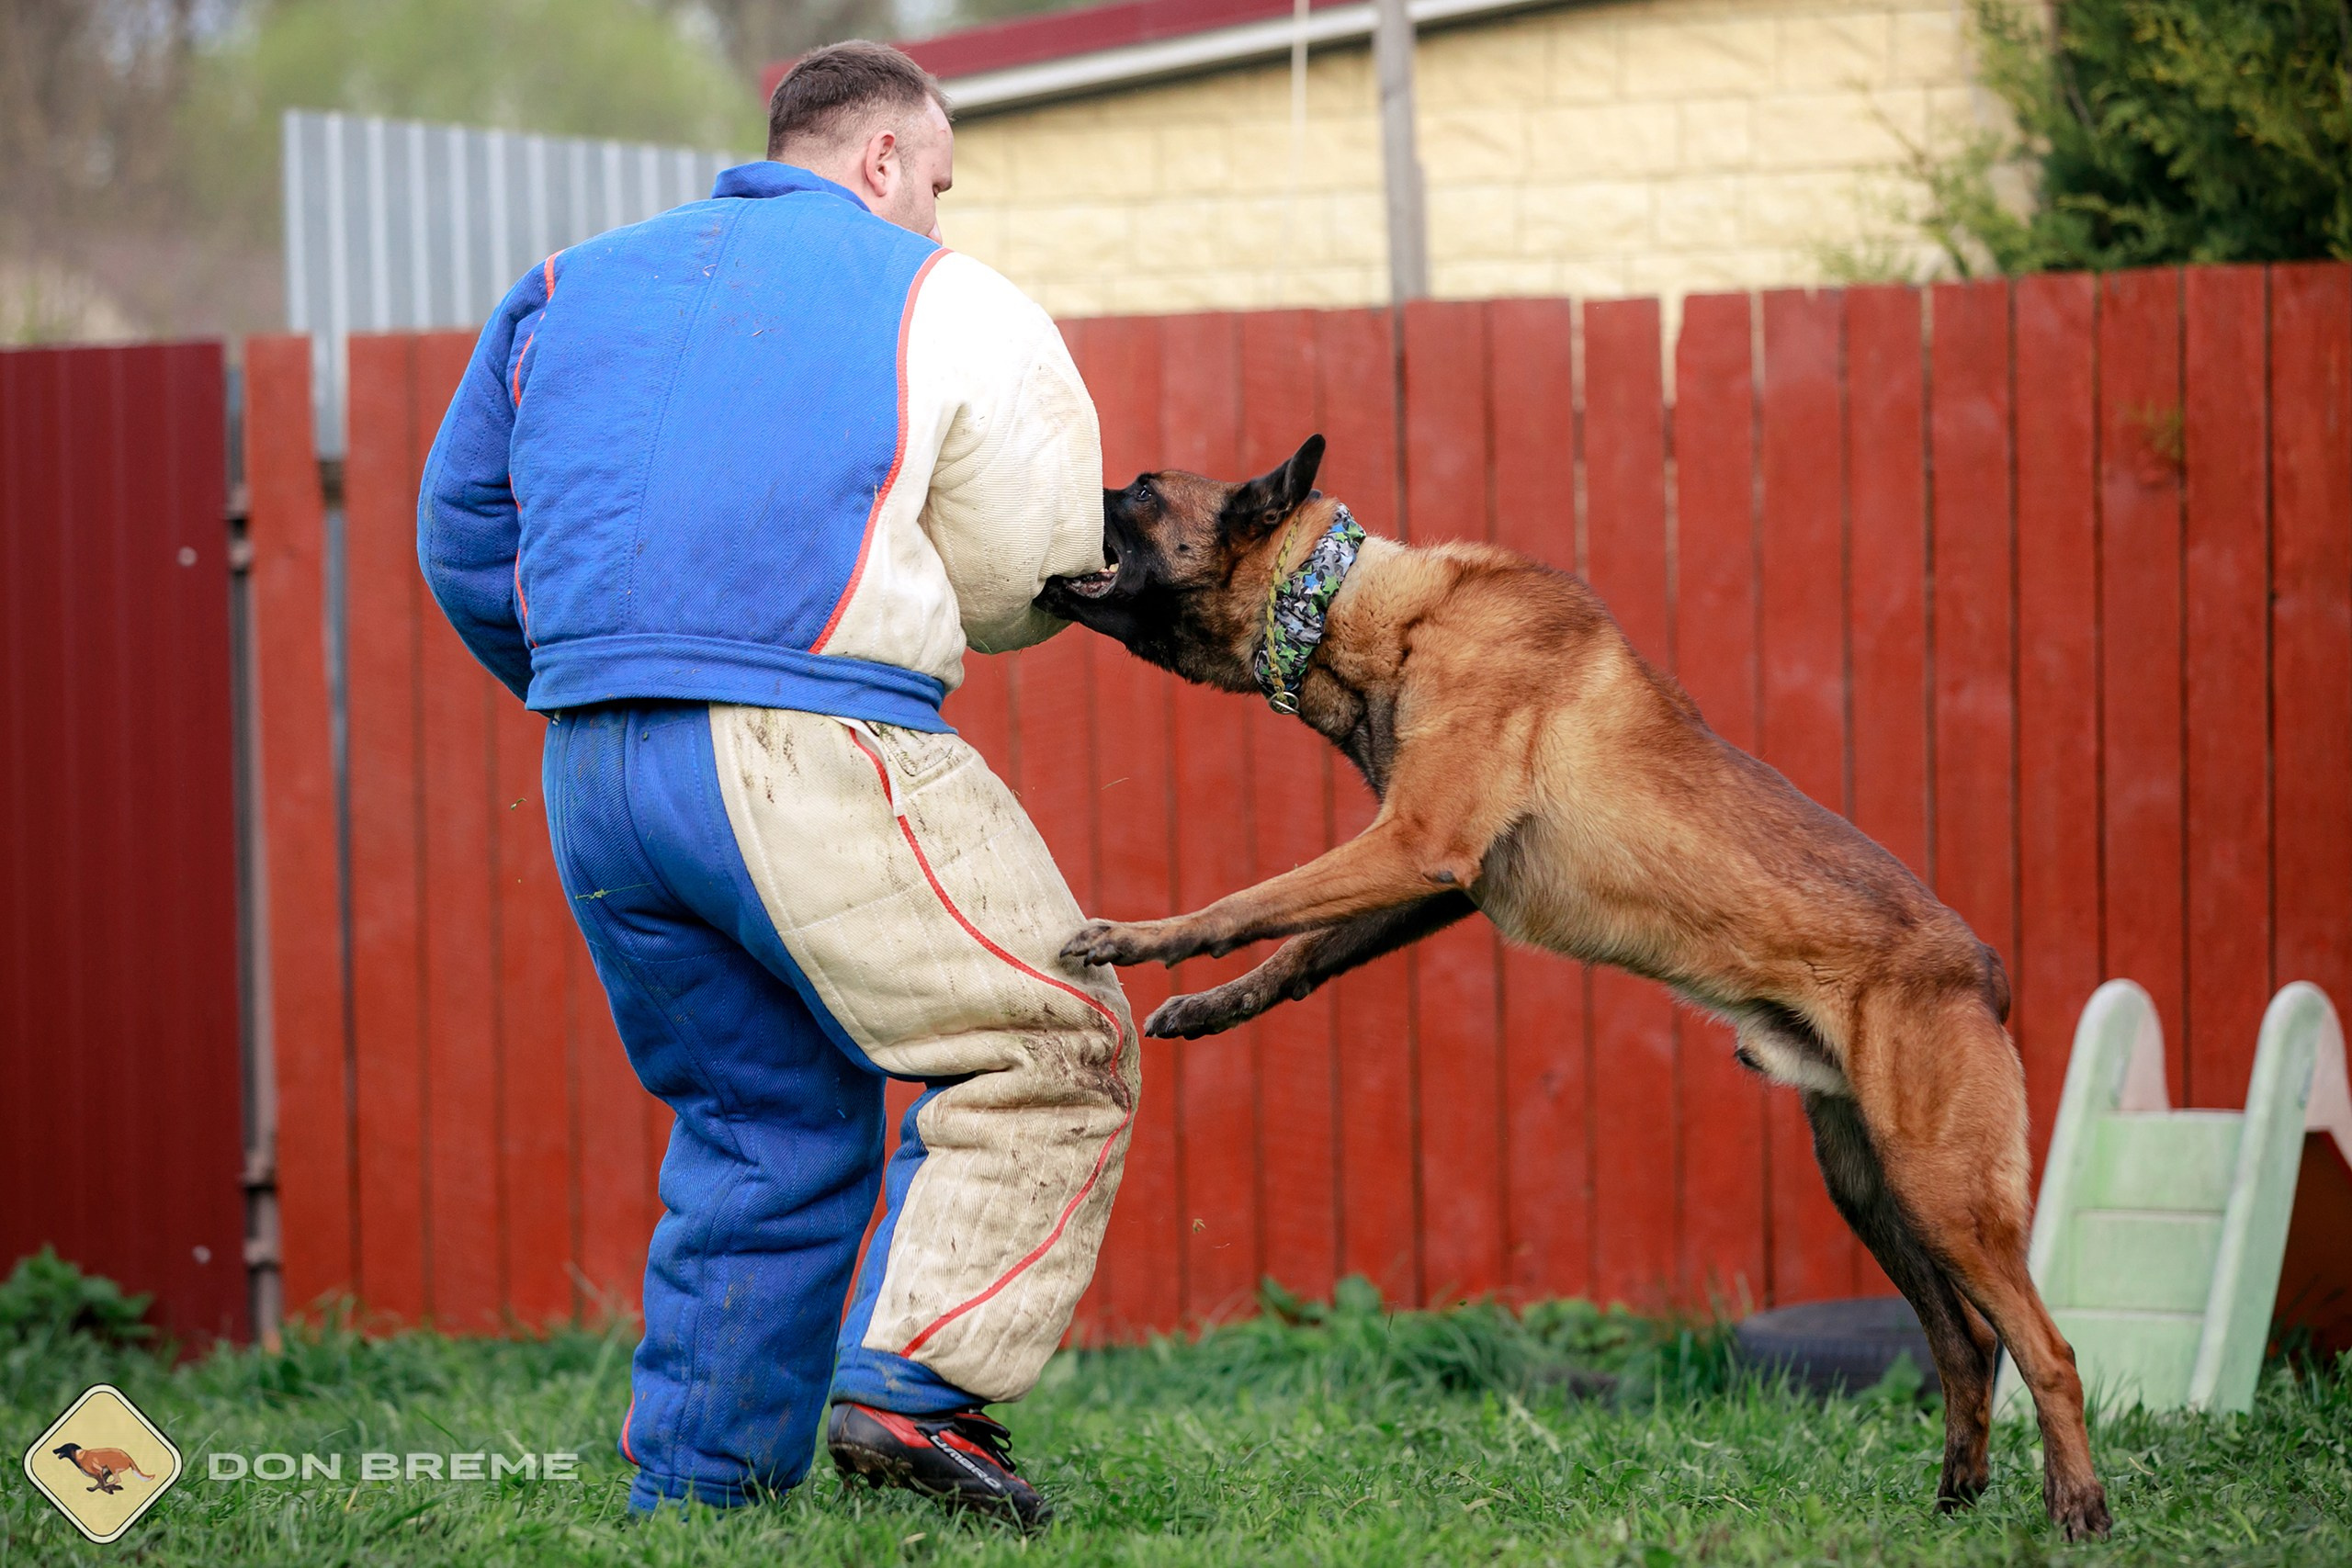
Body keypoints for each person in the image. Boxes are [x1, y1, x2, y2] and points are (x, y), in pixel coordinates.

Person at [416, 39, 1135, 1531]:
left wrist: (607, 677)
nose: (936, 212)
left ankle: (697, 1497)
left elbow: (459, 533)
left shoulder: (563, 284)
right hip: (814, 737)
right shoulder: (940, 291)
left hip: (598, 769)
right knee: (1052, 1039)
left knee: (764, 1128)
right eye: (934, 183)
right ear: (882, 163)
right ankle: (915, 1397)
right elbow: (1036, 566)